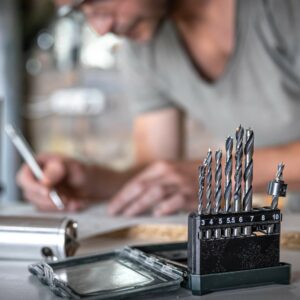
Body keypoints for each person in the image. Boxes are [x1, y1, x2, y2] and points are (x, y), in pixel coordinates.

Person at [17, 0, 300, 216]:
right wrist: (91, 182)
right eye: (81, 13)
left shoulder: (280, 9)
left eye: (95, 2)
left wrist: (224, 176)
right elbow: (154, 172)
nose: (100, 29)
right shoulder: (143, 49)